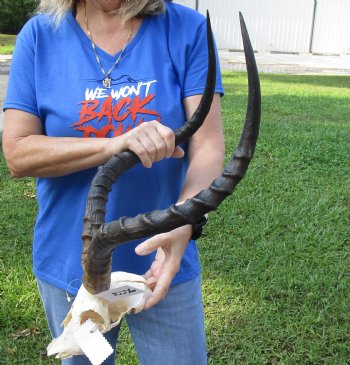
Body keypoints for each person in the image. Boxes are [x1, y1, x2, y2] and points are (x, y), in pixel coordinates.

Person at [3, 0, 224, 364]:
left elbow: (208, 145)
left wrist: (184, 222)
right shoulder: (40, 37)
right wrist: (115, 145)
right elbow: (18, 152)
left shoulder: (187, 29)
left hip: (163, 261)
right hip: (75, 271)